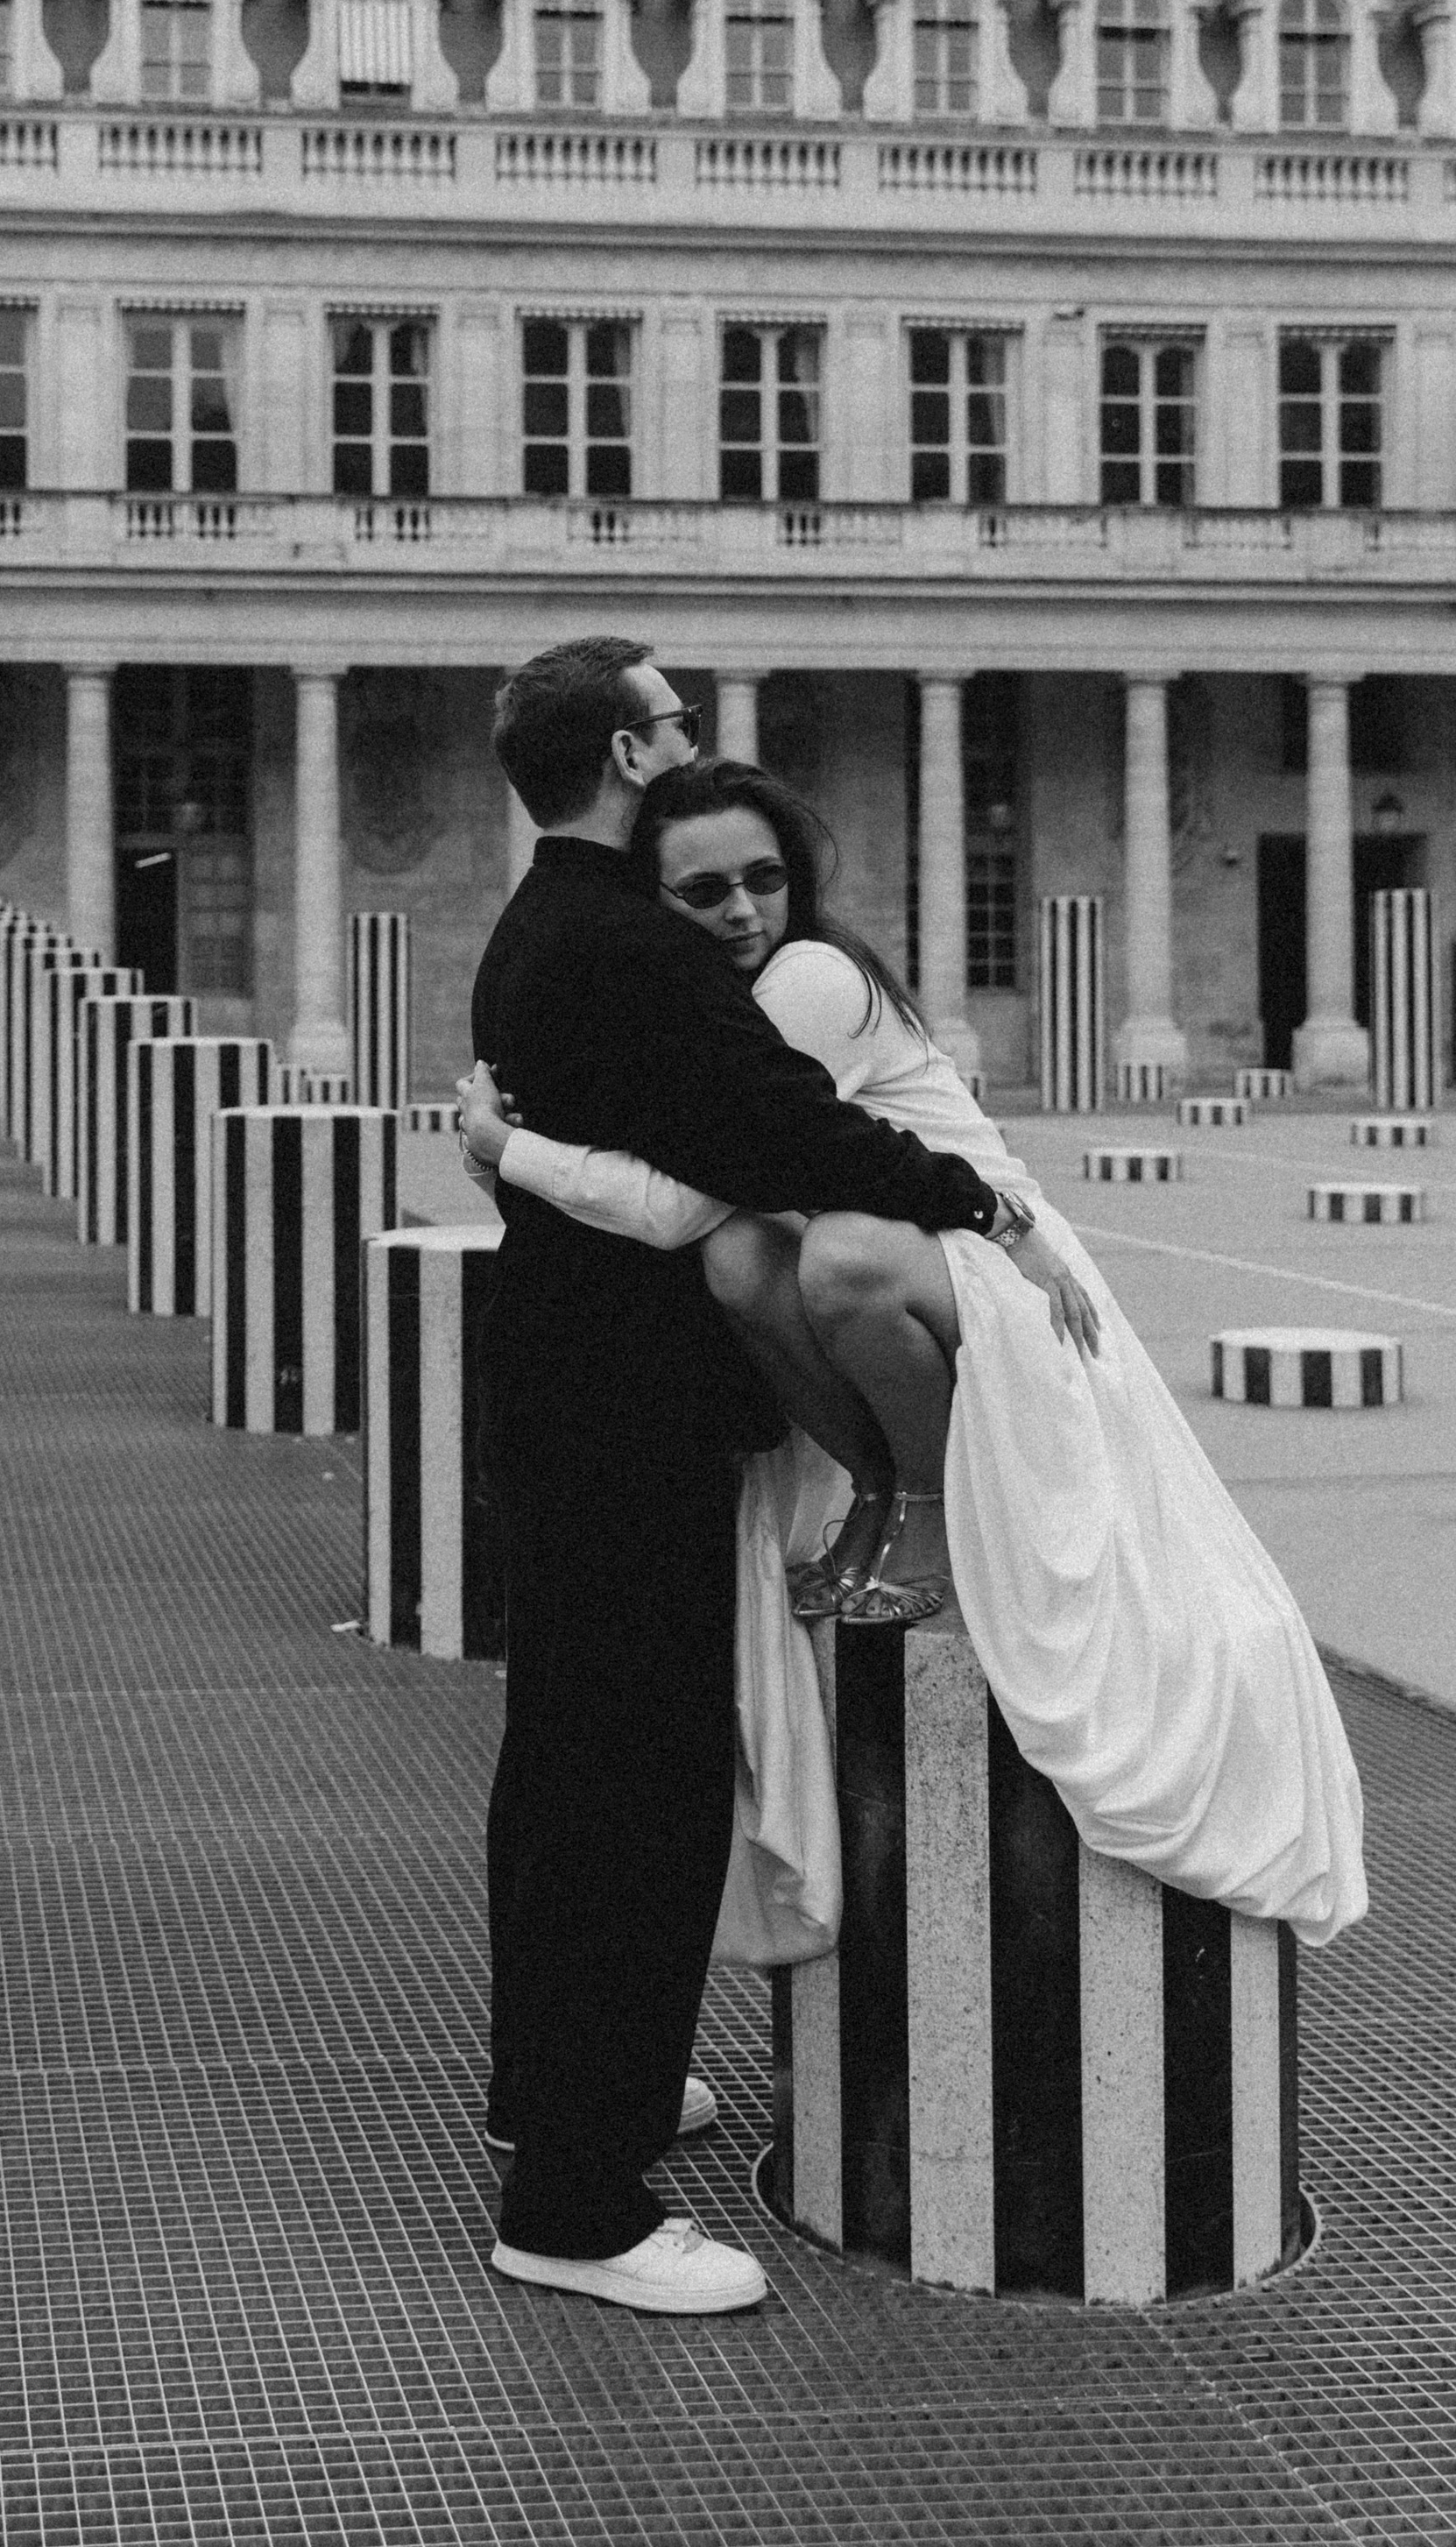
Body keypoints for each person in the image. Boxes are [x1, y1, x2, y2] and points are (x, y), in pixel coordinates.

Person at [464, 754, 1368, 1952]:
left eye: (764, 879)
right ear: (659, 904)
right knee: (748, 1261)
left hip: (984, 1275)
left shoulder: (811, 978)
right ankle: (892, 1485)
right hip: (918, 1280)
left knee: (820, 1252)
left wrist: (504, 1149)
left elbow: (681, 1194)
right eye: (704, 893)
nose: (743, 909)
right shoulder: (725, 1000)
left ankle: (928, 1497)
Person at [471, 642, 1023, 2318]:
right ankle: (576, 2202)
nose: (695, 737)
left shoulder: (537, 928)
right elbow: (768, 1134)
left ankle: (573, 2091)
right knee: (633, 1779)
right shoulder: (631, 943)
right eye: (677, 720)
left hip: (565, 1391)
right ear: (630, 751)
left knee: (569, 1759)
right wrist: (977, 1197)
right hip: (626, 1402)